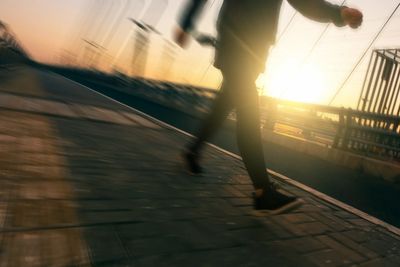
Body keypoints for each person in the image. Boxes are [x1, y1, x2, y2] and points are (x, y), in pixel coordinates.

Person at [174, 0, 362, 213]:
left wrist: (340, 13)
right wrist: (185, 23)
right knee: (249, 110)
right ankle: (262, 190)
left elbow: (305, 3)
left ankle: (192, 151)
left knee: (223, 106)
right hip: (234, 38)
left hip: (255, 48)